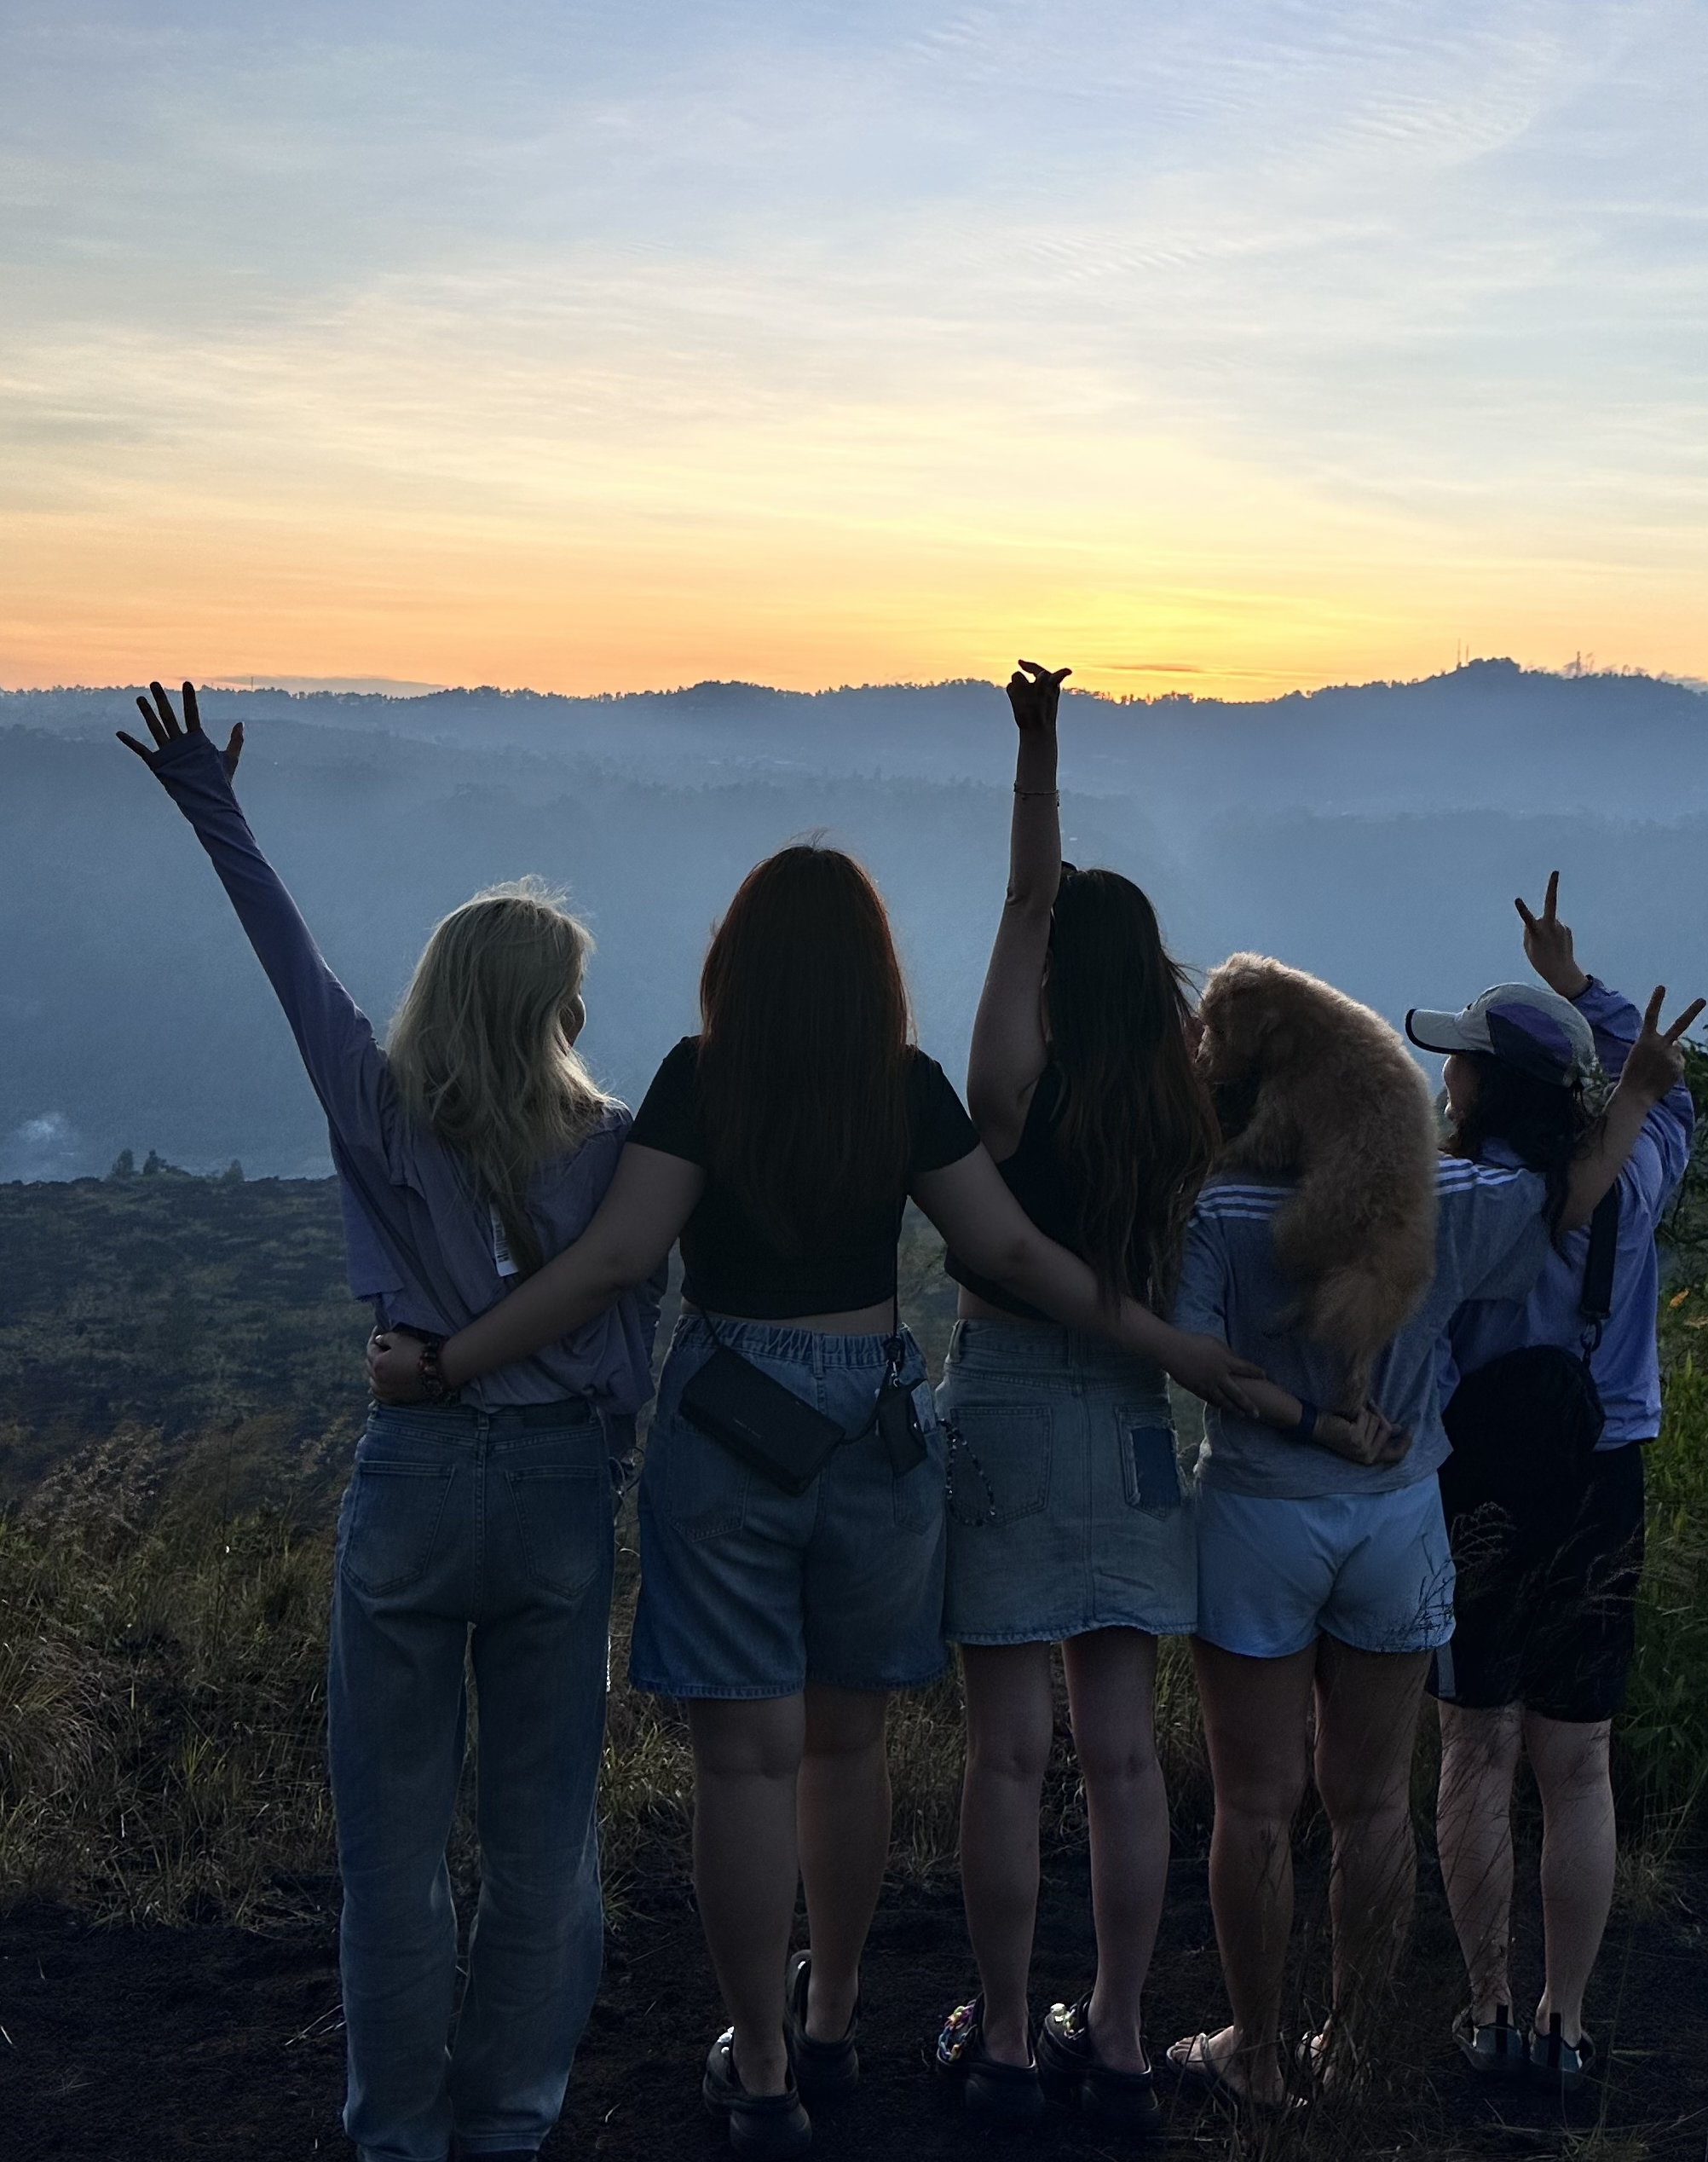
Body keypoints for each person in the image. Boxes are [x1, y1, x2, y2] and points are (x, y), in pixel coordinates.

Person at [366, 835, 1276, 2160]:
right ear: (872, 971)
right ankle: (835, 2011)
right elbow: (1011, 1250)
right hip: (877, 1429)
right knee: (847, 1749)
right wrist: (1175, 1348)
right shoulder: (903, 1085)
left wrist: (454, 1361)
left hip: (729, 1419)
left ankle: (764, 2066)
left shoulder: (703, 1076)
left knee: (744, 1763)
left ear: (738, 961)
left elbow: (617, 1258)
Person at [118, 681, 663, 2162]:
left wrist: (210, 800)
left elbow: (286, 959)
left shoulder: (374, 1104)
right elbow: (626, 1332)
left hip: (412, 1479)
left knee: (393, 1852)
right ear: (551, 1007)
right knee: (543, 1845)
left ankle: (401, 2138)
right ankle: (509, 2124)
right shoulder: (619, 1150)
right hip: (556, 1494)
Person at [1164, 953, 1699, 2113]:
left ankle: (1277, 2049)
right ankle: (1414, 2040)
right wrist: (1610, 1042)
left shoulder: (1224, 1209)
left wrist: (1308, 1418)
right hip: (1462, 1507)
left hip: (1290, 1512)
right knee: (1418, 1796)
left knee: (1286, 1799)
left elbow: (1192, 1355)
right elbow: (1579, 1188)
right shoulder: (1469, 1200)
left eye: (1458, 1064)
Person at [932, 661, 1232, 2130]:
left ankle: (1000, 2035)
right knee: (1121, 1758)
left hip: (1004, 1401)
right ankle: (1116, 2036)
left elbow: (1021, 901)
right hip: (1130, 1419)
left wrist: (1038, 754)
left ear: (1058, 971)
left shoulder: (1009, 1087)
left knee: (1006, 1754)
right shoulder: (1178, 1110)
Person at [1422, 876, 1698, 2090]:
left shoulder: (1461, 1204)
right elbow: (1663, 1083)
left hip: (1479, 1483)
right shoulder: (1638, 1177)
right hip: (1601, 1475)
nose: (1447, 1076)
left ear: (1490, 1089)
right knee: (1577, 1762)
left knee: (1476, 1747)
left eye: (1462, 1063)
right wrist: (1576, 983)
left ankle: (1486, 2010)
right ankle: (1565, 2025)